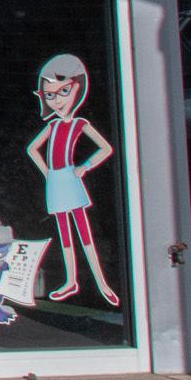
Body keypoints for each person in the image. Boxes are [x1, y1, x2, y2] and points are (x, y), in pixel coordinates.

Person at [27, 54, 119, 309]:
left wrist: (84, 167)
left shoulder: (79, 124)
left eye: (63, 91)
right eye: (50, 95)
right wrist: (47, 172)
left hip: (68, 178)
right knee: (65, 234)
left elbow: (105, 148)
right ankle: (71, 280)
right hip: (57, 181)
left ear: (77, 88)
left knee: (84, 232)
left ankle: (102, 283)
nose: (56, 100)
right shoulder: (52, 127)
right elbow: (32, 149)